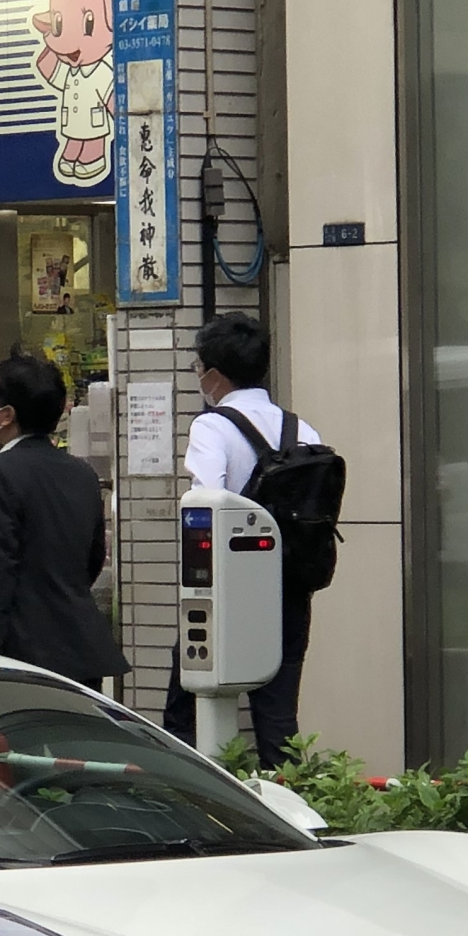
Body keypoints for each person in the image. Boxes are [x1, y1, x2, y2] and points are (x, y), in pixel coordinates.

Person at [173, 314, 325, 762]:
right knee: (279, 722)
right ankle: (294, 812)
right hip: (291, 590)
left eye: (198, 368)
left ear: (214, 375)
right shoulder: (303, 430)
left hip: (227, 593)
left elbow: (204, 504)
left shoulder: (212, 426)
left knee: (187, 712)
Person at [0, 354, 126, 689]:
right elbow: (92, 558)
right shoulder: (80, 472)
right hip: (78, 646)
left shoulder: (0, 473)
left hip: (21, 650)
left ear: (7, 415)